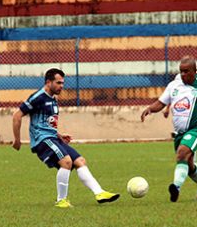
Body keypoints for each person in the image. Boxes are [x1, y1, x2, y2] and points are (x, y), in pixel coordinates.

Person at [12, 68, 119, 208]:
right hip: (42, 140)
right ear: (48, 82)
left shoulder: (54, 99)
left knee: (80, 161)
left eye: (62, 83)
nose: (61, 86)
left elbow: (45, 122)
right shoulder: (38, 97)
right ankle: (61, 200)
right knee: (66, 162)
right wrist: (17, 139)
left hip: (52, 138)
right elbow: (17, 115)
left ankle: (99, 193)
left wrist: (59, 135)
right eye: (58, 83)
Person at [142, 56, 197, 202]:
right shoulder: (174, 85)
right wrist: (150, 109)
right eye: (181, 71)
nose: (183, 74)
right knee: (189, 164)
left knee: (181, 154)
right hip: (180, 132)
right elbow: (161, 103)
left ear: (194, 71)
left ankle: (176, 187)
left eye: (186, 71)